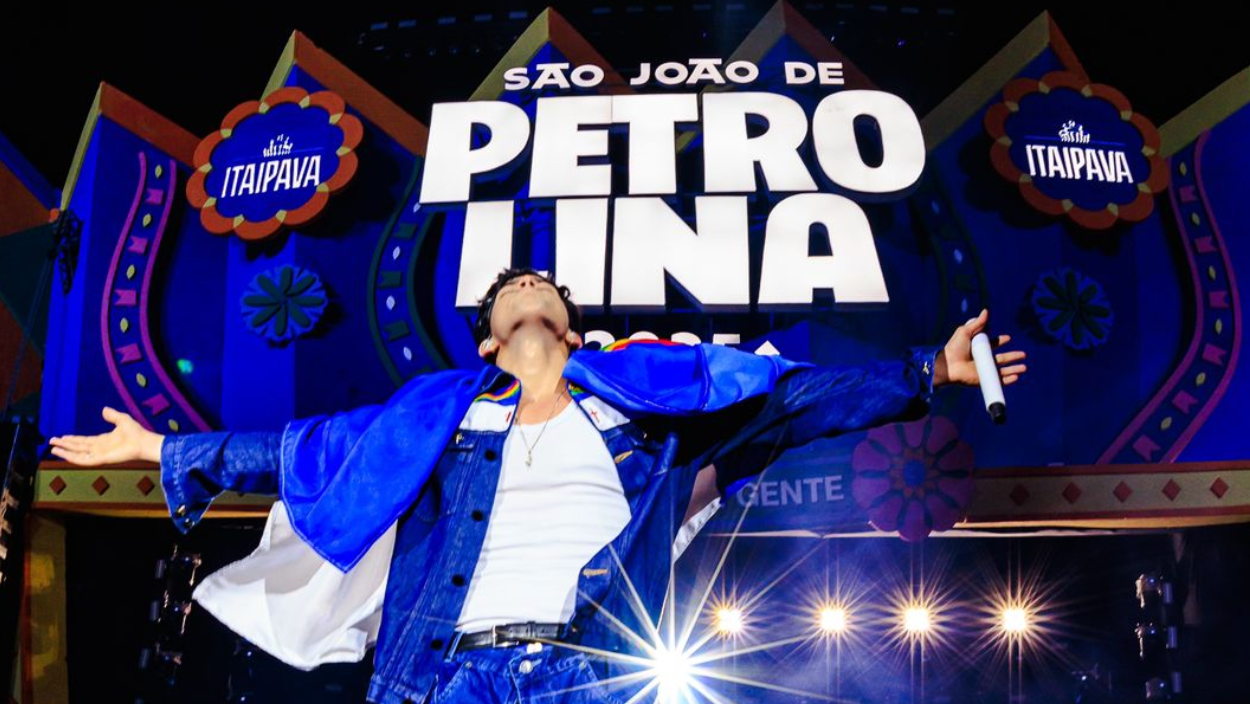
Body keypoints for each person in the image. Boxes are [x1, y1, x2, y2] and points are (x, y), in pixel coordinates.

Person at [49, 268, 1027, 704]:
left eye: (539, 285)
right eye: (507, 290)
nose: (524, 284)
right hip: (445, 677)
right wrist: (160, 447)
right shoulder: (433, 423)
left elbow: (795, 402)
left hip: (596, 670)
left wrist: (927, 371)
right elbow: (301, 449)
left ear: (571, 325)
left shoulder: (650, 415)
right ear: (487, 343)